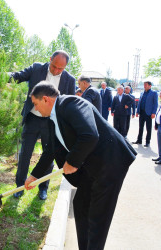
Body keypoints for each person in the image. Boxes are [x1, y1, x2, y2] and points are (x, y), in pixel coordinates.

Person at [24, 82, 136, 250]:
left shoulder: (72, 104)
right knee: (82, 206)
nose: (35, 109)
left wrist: (72, 161)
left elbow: (89, 135)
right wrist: (35, 176)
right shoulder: (53, 119)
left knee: (98, 216)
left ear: (45, 99)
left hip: (111, 162)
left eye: (35, 104)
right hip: (91, 164)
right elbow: (50, 151)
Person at [10, 50, 76, 200]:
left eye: (61, 68)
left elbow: (69, 104)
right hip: (32, 118)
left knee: (48, 155)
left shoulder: (69, 80)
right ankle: (20, 187)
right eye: (54, 66)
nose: (57, 71)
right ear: (50, 59)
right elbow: (18, 76)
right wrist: (1, 77)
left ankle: (43, 188)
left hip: (51, 122)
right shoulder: (36, 68)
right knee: (25, 154)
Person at [132, 81, 158, 147]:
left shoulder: (154, 93)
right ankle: (139, 140)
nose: (144, 86)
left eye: (146, 85)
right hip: (142, 112)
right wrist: (137, 111)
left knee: (148, 128)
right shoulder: (142, 93)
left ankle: (147, 142)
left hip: (149, 113)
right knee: (141, 127)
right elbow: (139, 103)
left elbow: (155, 104)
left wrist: (153, 113)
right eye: (144, 85)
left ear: (150, 86)